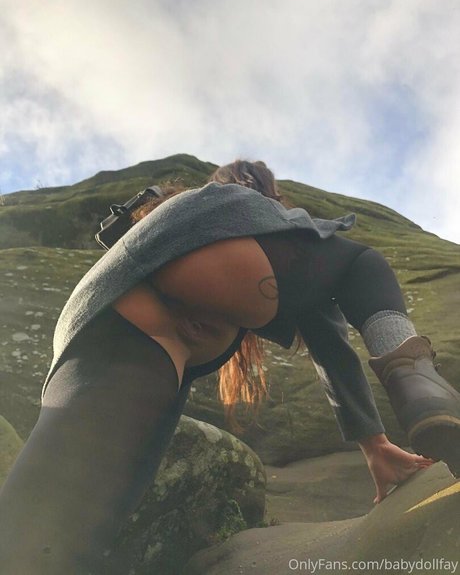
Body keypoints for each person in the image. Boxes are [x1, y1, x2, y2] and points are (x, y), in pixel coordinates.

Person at [0, 160, 458, 574]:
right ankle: (417, 381)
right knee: (361, 263)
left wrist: (373, 445)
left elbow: (320, 331)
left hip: (104, 312)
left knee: (57, 519)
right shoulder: (238, 206)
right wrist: (374, 443)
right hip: (209, 272)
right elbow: (327, 328)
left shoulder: (160, 218)